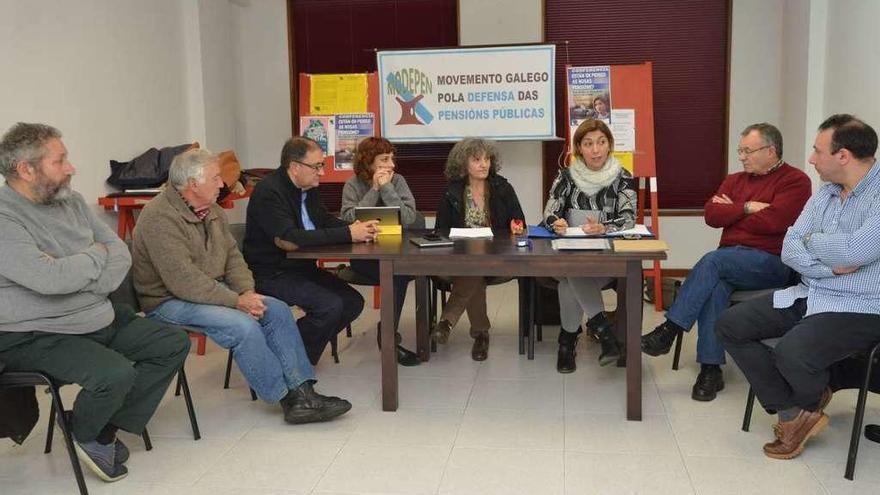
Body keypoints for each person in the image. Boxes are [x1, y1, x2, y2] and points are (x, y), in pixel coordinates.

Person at [0, 123, 190, 482]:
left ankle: (98, 428)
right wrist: (92, 258)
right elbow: (48, 279)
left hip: (94, 314)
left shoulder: (69, 201)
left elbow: (120, 252)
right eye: (60, 160)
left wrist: (83, 275)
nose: (71, 167)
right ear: (26, 169)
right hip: (34, 333)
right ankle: (86, 433)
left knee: (171, 343)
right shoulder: (4, 217)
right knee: (115, 374)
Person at [132, 148, 351, 425]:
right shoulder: (158, 218)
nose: (222, 184)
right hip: (167, 299)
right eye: (215, 178)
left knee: (278, 310)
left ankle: (303, 390)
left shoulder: (211, 211)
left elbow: (233, 258)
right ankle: (287, 397)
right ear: (192, 184)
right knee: (242, 325)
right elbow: (184, 281)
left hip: (211, 288)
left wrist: (246, 291)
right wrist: (236, 302)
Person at [717, 114, 880, 460]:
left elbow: (858, 251)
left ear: (843, 156)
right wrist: (828, 262)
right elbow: (791, 247)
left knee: (792, 351)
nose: (810, 158)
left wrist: (814, 244)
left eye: (817, 150)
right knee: (730, 324)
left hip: (861, 305)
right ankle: (795, 412)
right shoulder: (825, 193)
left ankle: (805, 406)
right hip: (812, 291)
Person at [640, 123, 812, 401]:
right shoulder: (735, 179)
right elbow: (711, 215)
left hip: (771, 262)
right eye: (740, 151)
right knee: (716, 284)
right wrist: (746, 207)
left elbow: (776, 221)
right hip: (730, 260)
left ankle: (669, 329)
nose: (741, 157)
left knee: (713, 263)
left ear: (770, 151)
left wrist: (731, 211)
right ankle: (710, 369)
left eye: (747, 151)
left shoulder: (796, 181)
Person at [244, 136, 375, 364]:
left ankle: (294, 352)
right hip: (272, 273)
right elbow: (290, 237)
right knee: (329, 306)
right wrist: (348, 234)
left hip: (301, 267)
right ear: (295, 167)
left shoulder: (308, 187)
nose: (322, 173)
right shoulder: (269, 192)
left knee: (352, 302)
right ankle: (291, 361)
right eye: (316, 167)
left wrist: (355, 228)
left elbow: (322, 219)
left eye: (321, 166)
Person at [542, 119, 636, 372]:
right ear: (579, 148)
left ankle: (567, 341)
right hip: (567, 254)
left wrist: (604, 227)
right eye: (588, 143)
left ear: (609, 146)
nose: (595, 150)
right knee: (571, 270)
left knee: (568, 283)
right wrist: (557, 222)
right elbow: (549, 212)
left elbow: (629, 217)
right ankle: (605, 334)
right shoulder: (566, 176)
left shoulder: (623, 177)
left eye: (601, 142)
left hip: (604, 259)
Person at [433, 138, 525, 361]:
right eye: (477, 160)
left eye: (487, 159)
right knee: (473, 269)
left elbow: (520, 221)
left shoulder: (503, 188)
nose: (484, 164)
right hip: (459, 259)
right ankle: (481, 333)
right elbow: (440, 231)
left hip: (497, 259)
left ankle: (447, 321)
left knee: (474, 269)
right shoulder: (451, 192)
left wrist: (516, 226)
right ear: (463, 164)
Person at [340, 137, 420, 366]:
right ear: (368, 163)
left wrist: (387, 188)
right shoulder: (352, 185)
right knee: (395, 274)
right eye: (385, 160)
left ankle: (387, 333)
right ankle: (389, 337)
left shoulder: (399, 181)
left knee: (399, 272)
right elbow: (347, 218)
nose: (392, 165)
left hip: (395, 250)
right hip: (364, 255)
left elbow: (408, 218)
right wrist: (375, 189)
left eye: (392, 159)